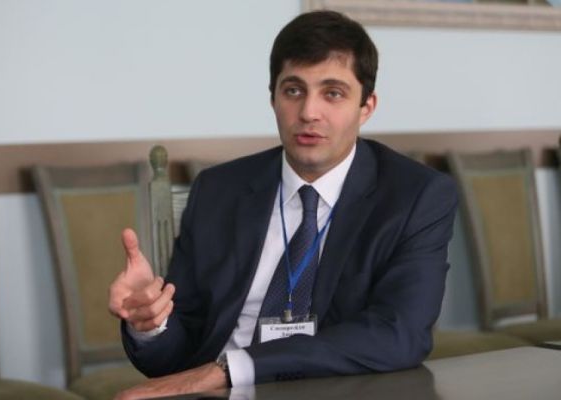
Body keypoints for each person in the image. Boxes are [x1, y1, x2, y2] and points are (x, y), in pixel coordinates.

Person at [108, 10, 458, 399]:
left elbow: (399, 333)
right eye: (293, 90)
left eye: (333, 93)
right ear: (272, 98)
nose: (309, 112)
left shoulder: (415, 196)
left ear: (367, 107)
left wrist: (234, 369)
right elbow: (177, 355)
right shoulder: (218, 191)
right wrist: (150, 322)